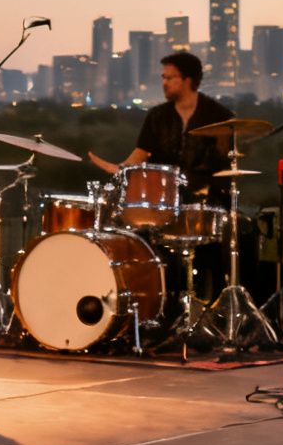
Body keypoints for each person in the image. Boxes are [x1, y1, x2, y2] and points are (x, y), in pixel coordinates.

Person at [88, 51, 240, 313]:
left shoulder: (218, 115)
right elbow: (140, 156)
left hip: (205, 200)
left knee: (218, 251)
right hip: (163, 203)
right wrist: (118, 169)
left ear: (188, 80)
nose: (164, 83)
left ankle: (216, 310)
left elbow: (227, 165)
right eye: (163, 77)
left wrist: (204, 186)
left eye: (170, 78)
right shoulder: (157, 116)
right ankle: (158, 308)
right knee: (143, 240)